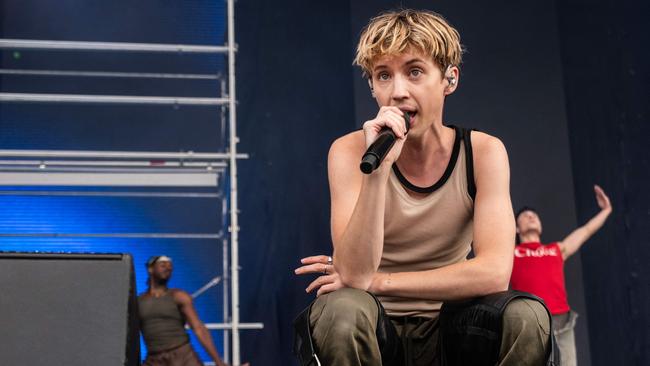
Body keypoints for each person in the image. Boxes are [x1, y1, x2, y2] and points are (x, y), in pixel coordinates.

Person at [294, 9, 553, 366]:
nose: (398, 92)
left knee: (527, 315)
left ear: (449, 80)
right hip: (374, 327)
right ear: (372, 87)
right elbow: (354, 274)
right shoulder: (349, 151)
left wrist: (380, 281)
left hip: (454, 330)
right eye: (384, 76)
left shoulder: (483, 152)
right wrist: (378, 173)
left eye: (414, 72)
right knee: (340, 309)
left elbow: (494, 273)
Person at [510, 185, 612, 366]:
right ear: (517, 229)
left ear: (541, 226)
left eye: (534, 216)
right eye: (525, 216)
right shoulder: (511, 253)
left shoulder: (556, 249)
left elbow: (586, 231)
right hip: (530, 327)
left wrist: (606, 210)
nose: (531, 216)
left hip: (562, 325)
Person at [139, 255, 247, 366]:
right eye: (163, 265)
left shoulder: (179, 296)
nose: (167, 268)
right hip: (155, 359)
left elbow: (198, 328)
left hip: (183, 356)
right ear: (150, 269)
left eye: (170, 267)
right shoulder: (138, 302)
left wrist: (218, 362)